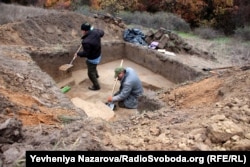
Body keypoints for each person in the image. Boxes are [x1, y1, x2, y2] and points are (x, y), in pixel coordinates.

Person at [76, 22, 104, 91]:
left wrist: (78, 53)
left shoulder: (86, 42)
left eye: (82, 30)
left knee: (90, 73)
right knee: (93, 66)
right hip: (98, 54)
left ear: (84, 31)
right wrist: (95, 30)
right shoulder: (96, 32)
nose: (81, 31)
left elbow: (86, 54)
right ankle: (96, 75)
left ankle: (96, 86)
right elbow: (102, 32)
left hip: (93, 58)